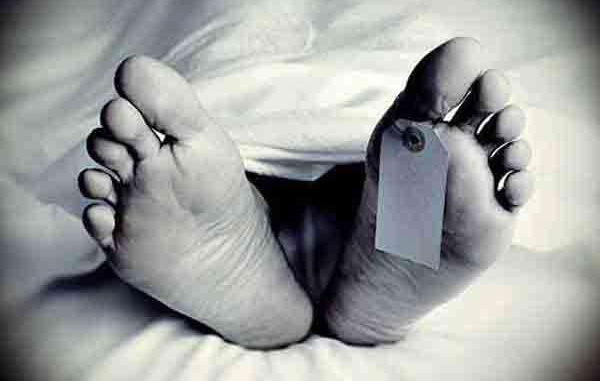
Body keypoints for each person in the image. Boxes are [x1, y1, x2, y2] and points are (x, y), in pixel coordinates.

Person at [78, 37, 534, 349]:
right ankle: (384, 230)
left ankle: (270, 228)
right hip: (359, 122)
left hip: (242, 99)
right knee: (419, 131)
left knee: (223, 90)